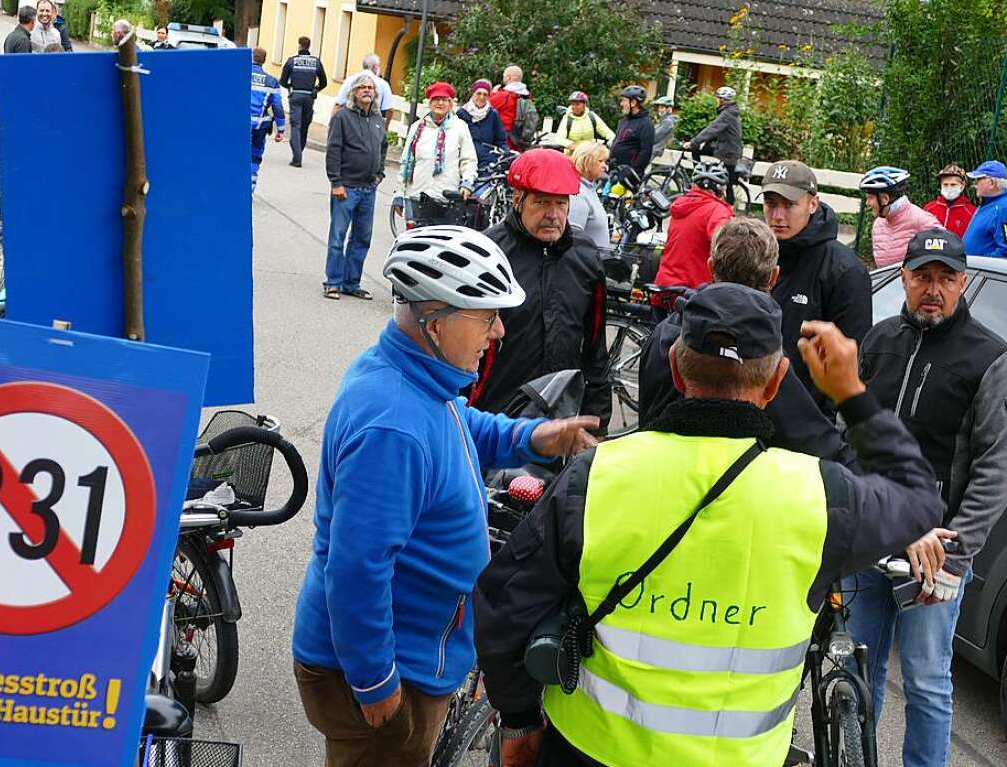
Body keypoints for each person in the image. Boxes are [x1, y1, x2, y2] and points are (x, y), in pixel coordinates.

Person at [474, 283, 943, 767]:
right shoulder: (822, 496)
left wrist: (520, 720)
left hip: (589, 751)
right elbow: (919, 499)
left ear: (675, 368)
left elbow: (505, 607)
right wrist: (850, 393)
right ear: (777, 381)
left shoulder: (598, 475)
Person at [292, 225, 600, 766]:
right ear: (434, 320)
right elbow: (357, 568)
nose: (499, 331)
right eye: (486, 316)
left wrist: (532, 437)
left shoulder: (420, 381)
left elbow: (460, 425)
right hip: (389, 668)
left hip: (409, 654)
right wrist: (375, 681)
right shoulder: (392, 425)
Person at [850, 228, 1007, 767]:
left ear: (962, 283)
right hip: (868, 539)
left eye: (945, 278)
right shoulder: (879, 340)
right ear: (906, 279)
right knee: (856, 673)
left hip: (935, 556)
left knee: (926, 683)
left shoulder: (989, 357)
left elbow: (994, 469)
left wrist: (955, 559)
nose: (932, 288)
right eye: (922, 276)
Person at [640, 217, 859, 468]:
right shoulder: (760, 349)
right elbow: (815, 443)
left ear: (711, 267)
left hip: (660, 477)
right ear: (774, 277)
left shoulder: (665, 333)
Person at [469, 149, 611, 430]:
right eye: (542, 202)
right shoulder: (487, 254)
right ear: (518, 200)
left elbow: (596, 349)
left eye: (561, 203)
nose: (553, 214)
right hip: (492, 420)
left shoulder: (584, 257)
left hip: (559, 422)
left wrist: (598, 424)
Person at [761, 160, 872, 422]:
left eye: (788, 205)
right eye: (771, 204)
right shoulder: (758, 255)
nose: (777, 215)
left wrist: (821, 430)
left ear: (813, 204)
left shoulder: (845, 271)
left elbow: (852, 361)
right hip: (752, 415)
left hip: (806, 427)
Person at [323, 73, 386, 301]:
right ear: (354, 92)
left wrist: (380, 173)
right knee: (338, 237)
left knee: (362, 238)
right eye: (362, 88)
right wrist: (336, 182)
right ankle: (332, 282)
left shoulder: (378, 119)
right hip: (346, 187)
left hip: (369, 188)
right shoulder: (342, 117)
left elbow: (383, 147)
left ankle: (351, 282)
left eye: (370, 87)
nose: (367, 90)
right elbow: (333, 150)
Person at [650, 162, 732, 314]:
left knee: (657, 336)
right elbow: (725, 247)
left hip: (664, 287)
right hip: (691, 293)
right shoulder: (717, 210)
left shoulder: (681, 204)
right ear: (721, 188)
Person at [395, 82, 477, 224]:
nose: (440, 103)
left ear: (450, 104)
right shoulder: (417, 127)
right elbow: (406, 162)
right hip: (417, 195)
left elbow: (468, 159)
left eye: (444, 100)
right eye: (436, 99)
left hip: (446, 198)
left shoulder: (459, 128)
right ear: (430, 103)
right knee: (416, 243)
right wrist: (399, 194)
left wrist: (467, 182)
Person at [861, 166, 942, 268]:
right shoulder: (878, 224)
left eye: (870, 198)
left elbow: (945, 256)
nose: (867, 203)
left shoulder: (921, 220)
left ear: (885, 199)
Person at [685, 85, 743, 205]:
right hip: (724, 148)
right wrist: (700, 143)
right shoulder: (729, 112)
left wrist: (693, 142)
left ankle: (730, 208)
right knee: (696, 148)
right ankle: (701, 173)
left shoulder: (728, 114)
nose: (716, 100)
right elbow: (716, 132)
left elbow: (713, 129)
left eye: (717, 98)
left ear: (723, 100)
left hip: (729, 152)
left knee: (729, 184)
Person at [279, 37, 327, 168]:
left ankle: (297, 157)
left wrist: (290, 86)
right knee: (305, 125)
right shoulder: (316, 62)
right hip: (309, 97)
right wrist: (316, 89)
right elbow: (324, 82)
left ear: (299, 45)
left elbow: (282, 80)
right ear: (309, 46)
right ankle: (299, 151)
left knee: (295, 125)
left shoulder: (292, 61)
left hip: (295, 96)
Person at [250, 47, 285, 192]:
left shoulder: (238, 74)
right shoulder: (272, 81)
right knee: (254, 156)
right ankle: (250, 188)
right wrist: (281, 129)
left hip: (237, 125)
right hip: (260, 126)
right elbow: (277, 106)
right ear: (264, 61)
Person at [567, 141, 611, 250]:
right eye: (600, 161)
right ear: (586, 161)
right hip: (584, 263)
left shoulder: (589, 189)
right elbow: (573, 238)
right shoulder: (578, 193)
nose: (605, 166)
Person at [456, 79, 508, 171]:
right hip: (464, 162)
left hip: (487, 163)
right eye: (478, 93)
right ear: (473, 94)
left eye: (485, 94)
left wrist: (505, 153)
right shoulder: (461, 113)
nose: (481, 97)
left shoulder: (492, 114)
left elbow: (500, 139)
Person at [334, 54, 395, 126]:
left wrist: (332, 126)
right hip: (372, 126)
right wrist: (385, 127)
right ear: (374, 67)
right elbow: (390, 110)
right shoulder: (383, 84)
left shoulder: (350, 80)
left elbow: (338, 105)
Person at [962, 160, 1007, 257]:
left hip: (983, 271)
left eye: (978, 179)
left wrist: (978, 264)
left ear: (992, 183)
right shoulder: (988, 205)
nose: (975, 185)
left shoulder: (1003, 209)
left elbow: (1004, 252)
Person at [609, 85, 655, 177]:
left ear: (633, 103)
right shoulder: (624, 120)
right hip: (614, 170)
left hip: (627, 175)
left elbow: (645, 153)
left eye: (624, 100)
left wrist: (632, 172)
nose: (621, 104)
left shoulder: (646, 124)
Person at [923, 164, 975, 238]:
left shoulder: (971, 212)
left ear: (962, 186)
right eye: (945, 184)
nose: (949, 188)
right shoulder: (929, 209)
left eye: (953, 185)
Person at [650, 95, 676, 161]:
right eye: (659, 108)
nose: (660, 110)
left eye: (662, 108)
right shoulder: (663, 120)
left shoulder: (668, 122)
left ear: (669, 109)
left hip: (654, 151)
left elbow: (655, 137)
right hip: (653, 150)